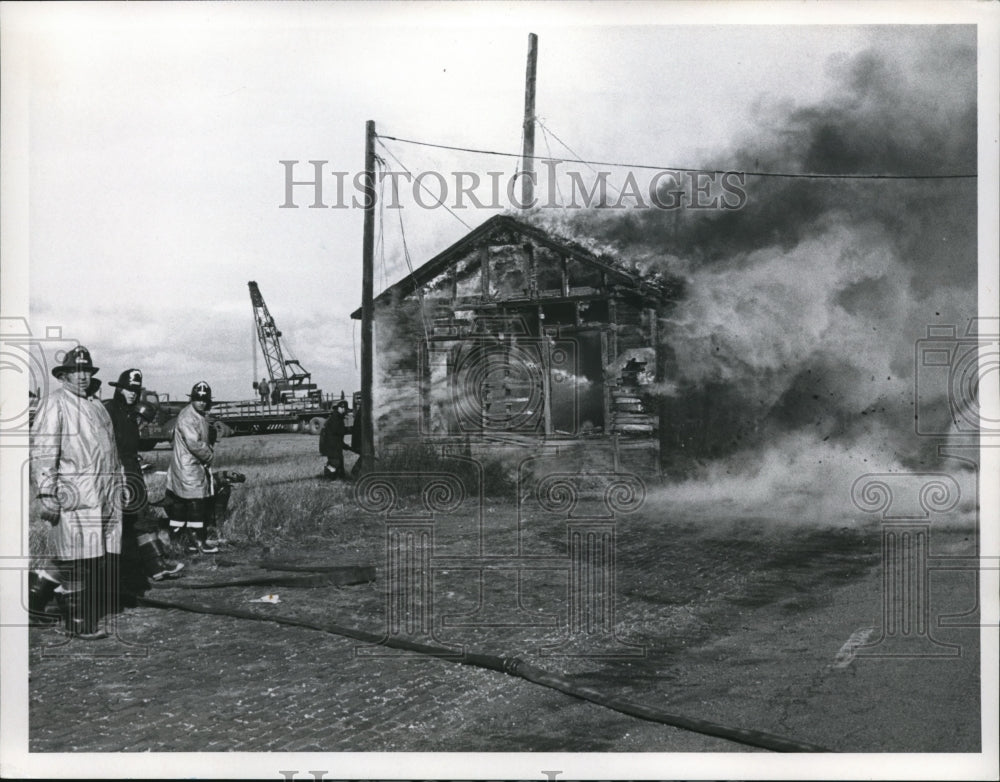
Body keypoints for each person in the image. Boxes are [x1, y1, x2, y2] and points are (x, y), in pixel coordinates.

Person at [30, 346, 122, 640]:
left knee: (74, 555)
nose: (82, 376)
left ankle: (33, 603)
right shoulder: (55, 404)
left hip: (102, 495)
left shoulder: (96, 405)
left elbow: (111, 452)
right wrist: (46, 493)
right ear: (64, 375)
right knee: (78, 558)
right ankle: (76, 620)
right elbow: (44, 452)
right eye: (76, 371)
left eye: (87, 371)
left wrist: (119, 484)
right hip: (74, 496)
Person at [104, 368, 183, 593]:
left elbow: (129, 445)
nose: (132, 394)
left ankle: (155, 565)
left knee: (141, 517)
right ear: (119, 388)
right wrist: (118, 477)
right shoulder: (109, 411)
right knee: (122, 523)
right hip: (118, 473)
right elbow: (107, 447)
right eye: (129, 389)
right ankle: (129, 571)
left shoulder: (130, 414)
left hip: (133, 470)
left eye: (135, 390)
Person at [165, 381, 217, 554]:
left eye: (204, 399)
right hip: (189, 467)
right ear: (192, 399)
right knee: (196, 503)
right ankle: (198, 541)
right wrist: (209, 455)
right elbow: (194, 444)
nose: (202, 402)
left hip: (185, 466)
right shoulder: (189, 417)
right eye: (198, 398)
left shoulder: (195, 414)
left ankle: (178, 541)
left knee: (180, 504)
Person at [319, 400, 350, 480]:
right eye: (341, 407)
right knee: (334, 462)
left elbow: (338, 435)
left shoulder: (338, 418)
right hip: (332, 446)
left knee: (339, 463)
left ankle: (339, 477)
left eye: (345, 408)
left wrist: (343, 445)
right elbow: (337, 432)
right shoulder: (335, 418)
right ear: (337, 408)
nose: (343, 409)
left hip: (336, 445)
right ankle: (328, 477)